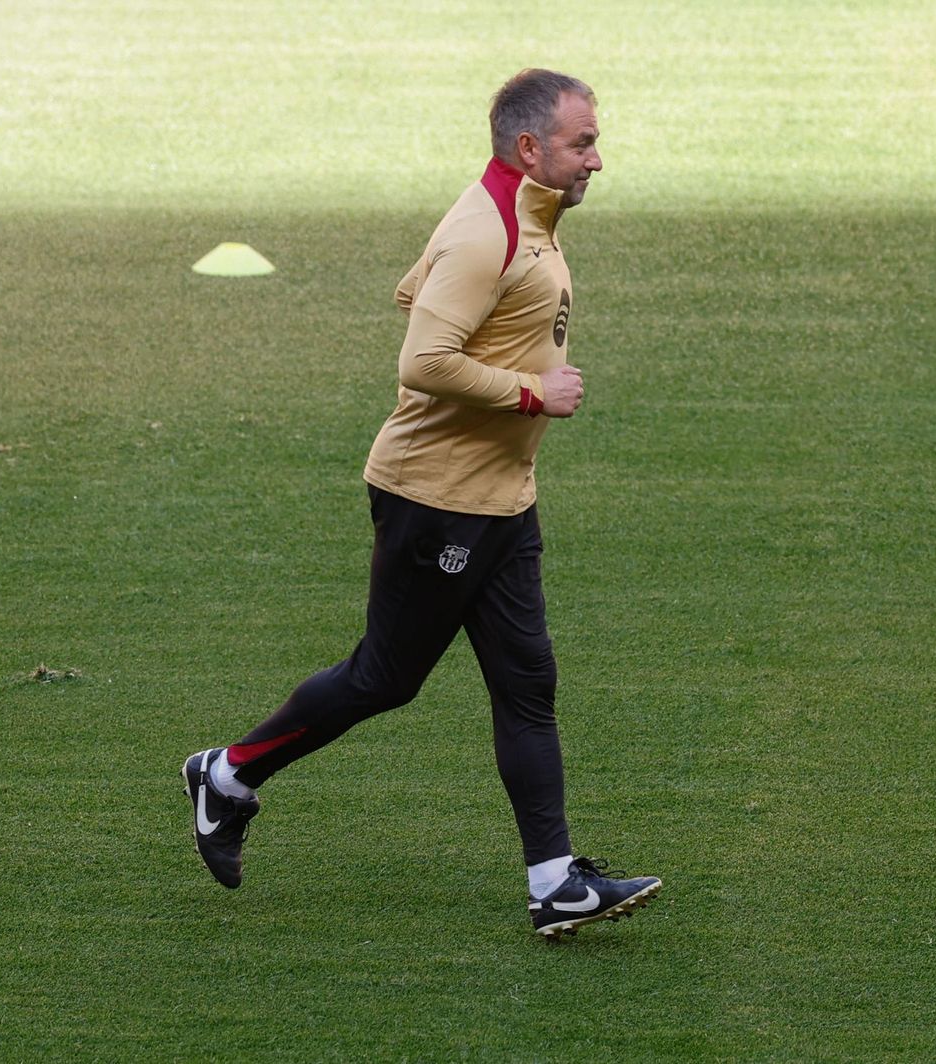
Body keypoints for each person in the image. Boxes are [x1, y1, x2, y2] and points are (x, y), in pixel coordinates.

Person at [181, 69, 661, 938]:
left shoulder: (523, 218)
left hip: (502, 498)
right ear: (529, 148)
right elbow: (422, 360)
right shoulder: (490, 231)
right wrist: (528, 393)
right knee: (385, 677)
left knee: (528, 684)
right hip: (435, 499)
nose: (598, 158)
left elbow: (417, 287)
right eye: (582, 142)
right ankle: (225, 775)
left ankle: (554, 880)